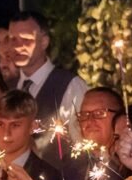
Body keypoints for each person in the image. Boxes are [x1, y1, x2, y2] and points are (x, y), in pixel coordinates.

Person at [7, 11, 88, 157]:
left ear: (44, 42)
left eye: (26, 39)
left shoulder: (70, 86)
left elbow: (84, 143)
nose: (17, 47)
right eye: (13, 39)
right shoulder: (8, 88)